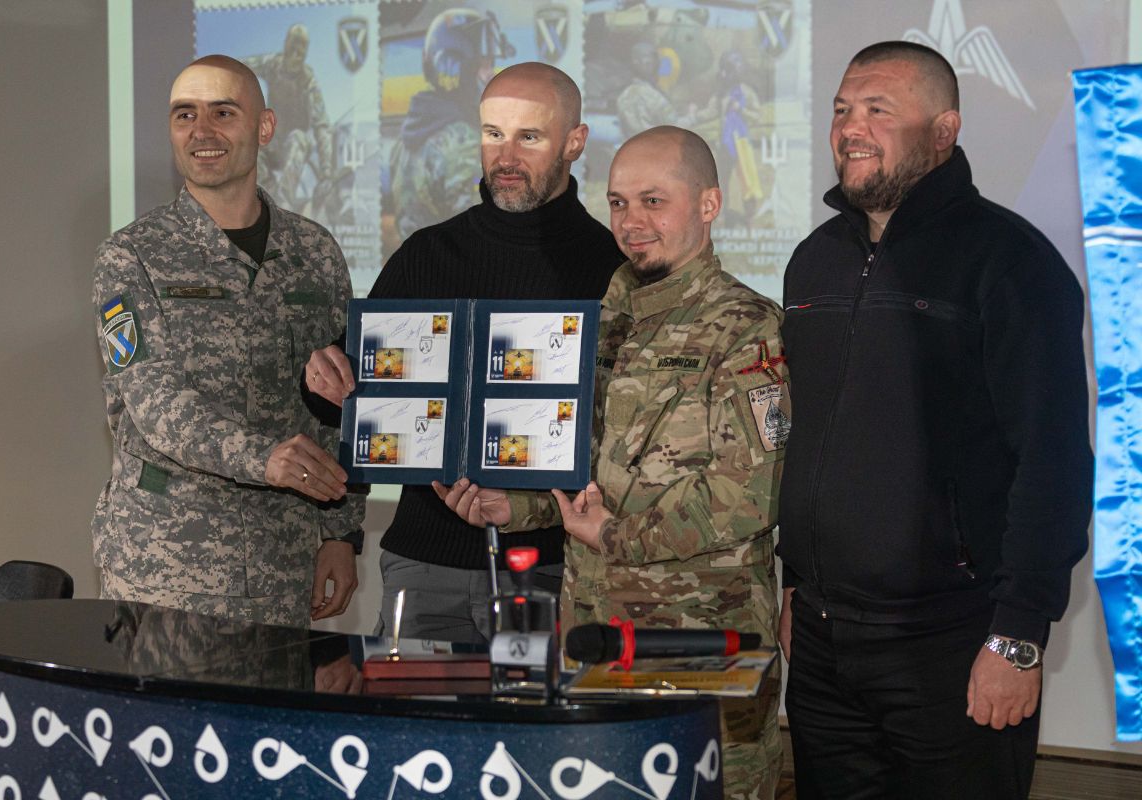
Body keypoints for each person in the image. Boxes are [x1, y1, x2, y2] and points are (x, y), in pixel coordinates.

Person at [777, 41, 1092, 799]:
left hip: (955, 643)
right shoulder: (812, 261)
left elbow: (1052, 462)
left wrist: (1018, 635)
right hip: (821, 644)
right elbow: (808, 440)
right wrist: (795, 583)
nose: (850, 128)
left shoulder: (1011, 262)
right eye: (842, 110)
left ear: (944, 130)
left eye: (877, 110)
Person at [439, 126, 789, 799]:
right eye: (619, 203)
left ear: (709, 204)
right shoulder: (600, 319)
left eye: (654, 201)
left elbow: (750, 496)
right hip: (594, 637)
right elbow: (585, 469)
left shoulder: (746, 327)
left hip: (701, 649)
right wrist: (518, 506)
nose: (631, 222)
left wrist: (616, 537)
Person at [303, 62, 623, 643]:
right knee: (411, 708)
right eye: (493, 133)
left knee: (540, 711)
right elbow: (347, 402)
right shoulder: (426, 254)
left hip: (557, 571)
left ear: (575, 142)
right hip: (424, 566)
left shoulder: (612, 269)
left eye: (529, 137)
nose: (506, 156)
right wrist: (322, 377)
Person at [92, 55, 364, 628]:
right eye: (184, 115)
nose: (202, 131)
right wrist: (265, 458)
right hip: (167, 564)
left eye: (223, 112)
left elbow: (341, 405)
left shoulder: (314, 251)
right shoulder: (132, 255)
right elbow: (156, 405)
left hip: (283, 560)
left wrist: (342, 531)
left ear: (264, 127)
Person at [387, 8, 513, 246]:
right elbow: (484, 238)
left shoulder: (404, 141)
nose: (491, 75)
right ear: (455, 69)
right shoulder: (464, 143)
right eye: (484, 66)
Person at [244, 24, 335, 208]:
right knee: (251, 139)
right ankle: (266, 194)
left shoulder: (308, 82)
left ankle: (283, 202)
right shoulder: (272, 65)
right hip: (273, 143)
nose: (296, 54)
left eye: (301, 50)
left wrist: (326, 172)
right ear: (285, 45)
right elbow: (241, 66)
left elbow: (322, 126)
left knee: (298, 137)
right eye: (293, 46)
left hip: (296, 147)